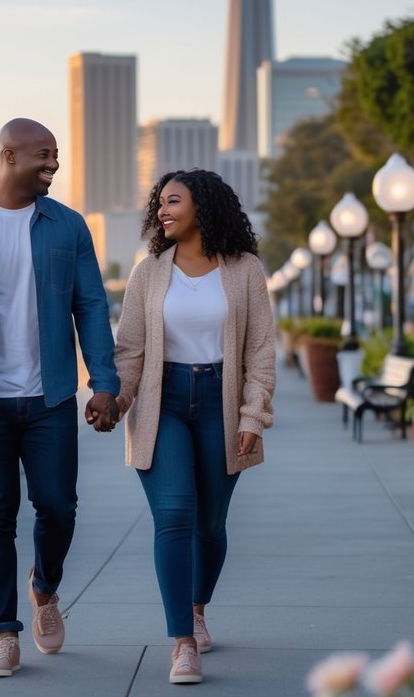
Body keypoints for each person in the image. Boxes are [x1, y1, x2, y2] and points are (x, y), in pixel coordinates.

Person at [0, 117, 120, 678]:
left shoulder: (69, 227)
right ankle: (3, 635)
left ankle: (45, 587)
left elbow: (92, 308)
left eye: (56, 156)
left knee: (59, 508)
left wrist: (104, 382)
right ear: (9, 156)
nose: (53, 166)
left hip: (50, 397)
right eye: (44, 156)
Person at [111, 169, 276, 685]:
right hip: (164, 405)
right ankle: (183, 642)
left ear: (203, 206)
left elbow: (260, 351)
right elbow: (131, 350)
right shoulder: (148, 273)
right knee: (176, 514)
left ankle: (198, 607)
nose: (162, 210)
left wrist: (253, 415)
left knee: (210, 525)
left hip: (219, 401)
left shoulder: (244, 269)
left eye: (173, 201)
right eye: (159, 203)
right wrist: (114, 400)